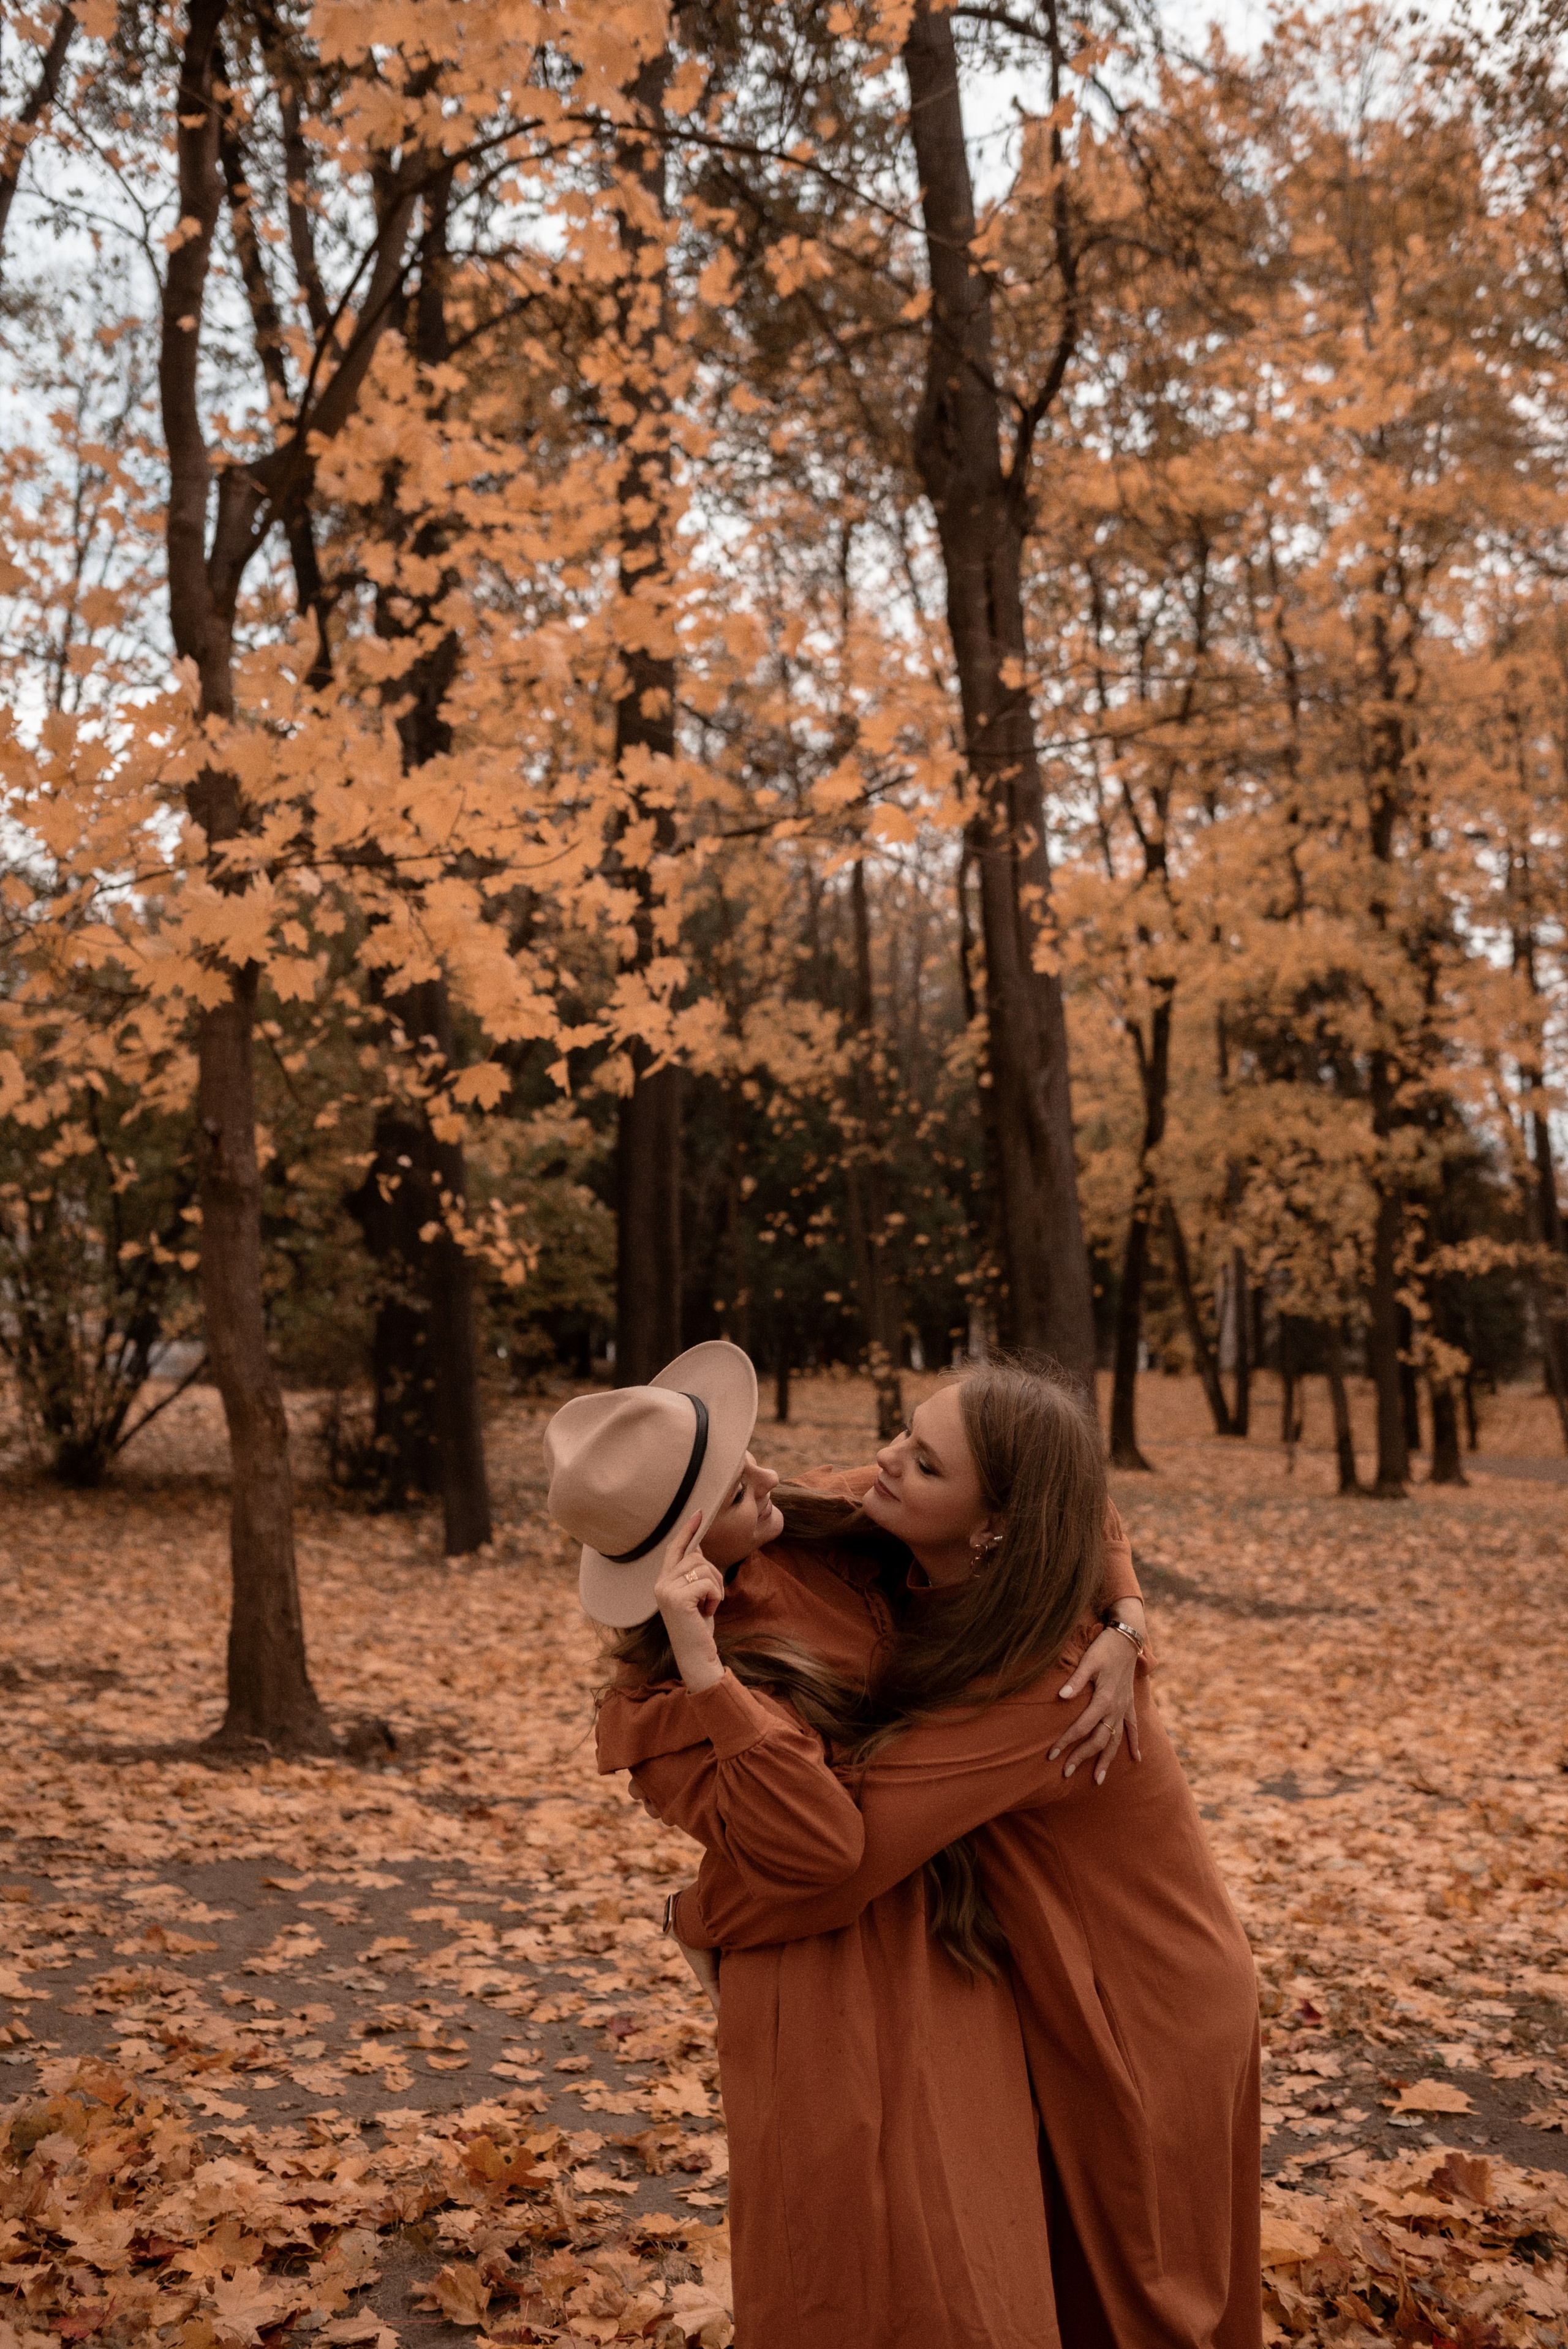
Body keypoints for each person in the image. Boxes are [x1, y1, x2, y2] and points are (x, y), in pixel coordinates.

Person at [544, 1342, 1155, 2349]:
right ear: (692, 1543)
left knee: (984, 2261)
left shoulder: (800, 1533)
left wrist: (1126, 1620)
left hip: (946, 1946)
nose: (777, 1476)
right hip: (823, 1975)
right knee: (856, 2264)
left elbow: (1047, 1485)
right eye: (744, 1483)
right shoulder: (664, 1716)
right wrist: (709, 1676)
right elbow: (823, 1849)